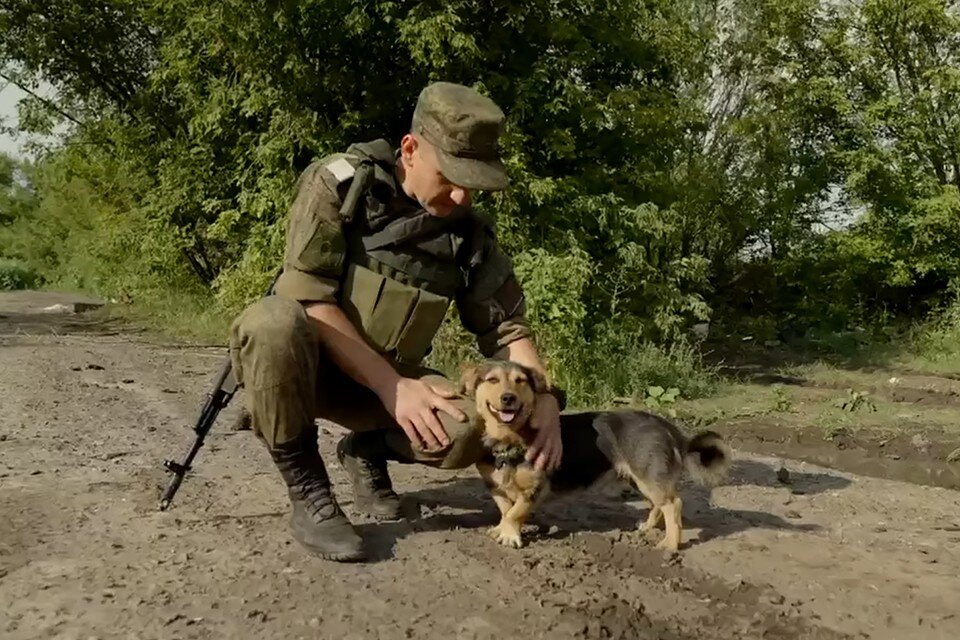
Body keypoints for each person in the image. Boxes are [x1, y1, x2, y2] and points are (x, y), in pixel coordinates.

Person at [228, 81, 566, 562]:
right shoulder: (341, 185)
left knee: (471, 427)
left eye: (474, 182)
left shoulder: (468, 235)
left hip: (386, 382)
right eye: (450, 175)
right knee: (271, 323)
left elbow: (508, 328)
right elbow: (308, 296)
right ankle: (308, 490)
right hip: (311, 369)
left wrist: (547, 399)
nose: (461, 195)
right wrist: (392, 386)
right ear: (410, 149)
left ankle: (364, 449)